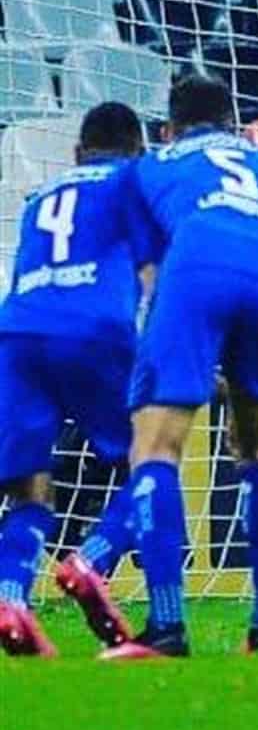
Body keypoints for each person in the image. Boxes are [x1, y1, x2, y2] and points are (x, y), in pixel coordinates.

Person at [60, 74, 258, 660]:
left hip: (196, 272)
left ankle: (167, 626)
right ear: (234, 125)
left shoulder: (154, 165)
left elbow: (145, 268)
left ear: (168, 129)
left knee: (156, 450)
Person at [0, 103, 150, 658]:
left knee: (28, 488)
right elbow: (159, 273)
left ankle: (11, 598)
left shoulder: (39, 197)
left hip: (17, 334)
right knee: (152, 460)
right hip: (95, 330)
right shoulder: (135, 184)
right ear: (140, 151)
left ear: (77, 153)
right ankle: (93, 560)